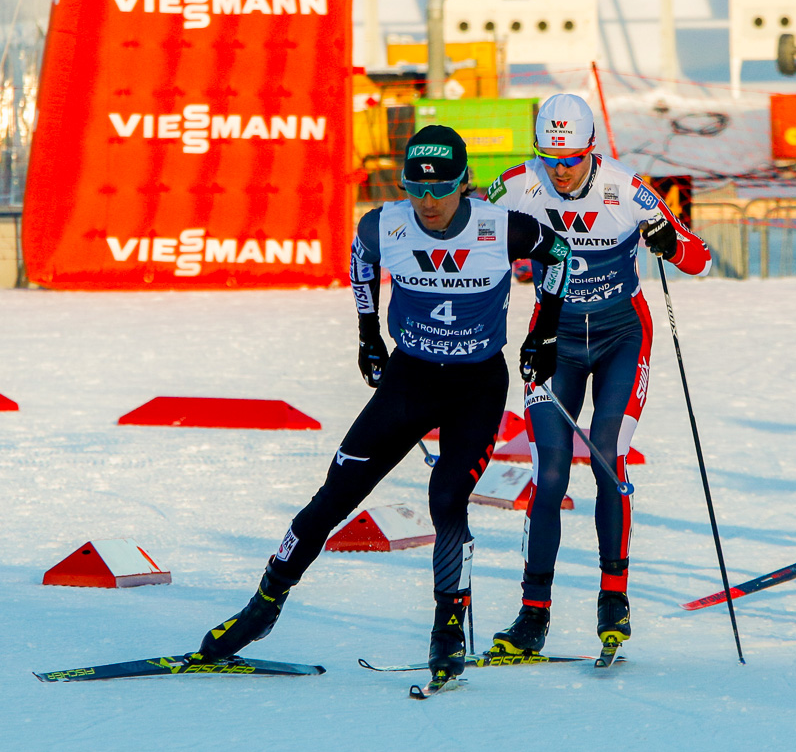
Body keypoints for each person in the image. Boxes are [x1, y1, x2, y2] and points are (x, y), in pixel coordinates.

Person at [190, 125, 572, 683]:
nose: (429, 202)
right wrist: (368, 332)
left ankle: (448, 628)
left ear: (465, 184)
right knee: (334, 495)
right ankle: (263, 606)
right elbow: (361, 257)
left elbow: (558, 251)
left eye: (441, 190)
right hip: (409, 379)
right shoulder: (384, 223)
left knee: (446, 499)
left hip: (476, 386)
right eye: (417, 189)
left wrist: (546, 332)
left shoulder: (500, 227)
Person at [486, 94, 711, 655]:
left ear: (592, 150)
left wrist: (670, 242)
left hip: (620, 338)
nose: (561, 172)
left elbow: (699, 259)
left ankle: (614, 598)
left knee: (608, 454)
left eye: (572, 159)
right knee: (551, 474)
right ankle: (532, 614)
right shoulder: (516, 186)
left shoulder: (626, 189)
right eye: (550, 158)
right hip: (553, 341)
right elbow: (468, 241)